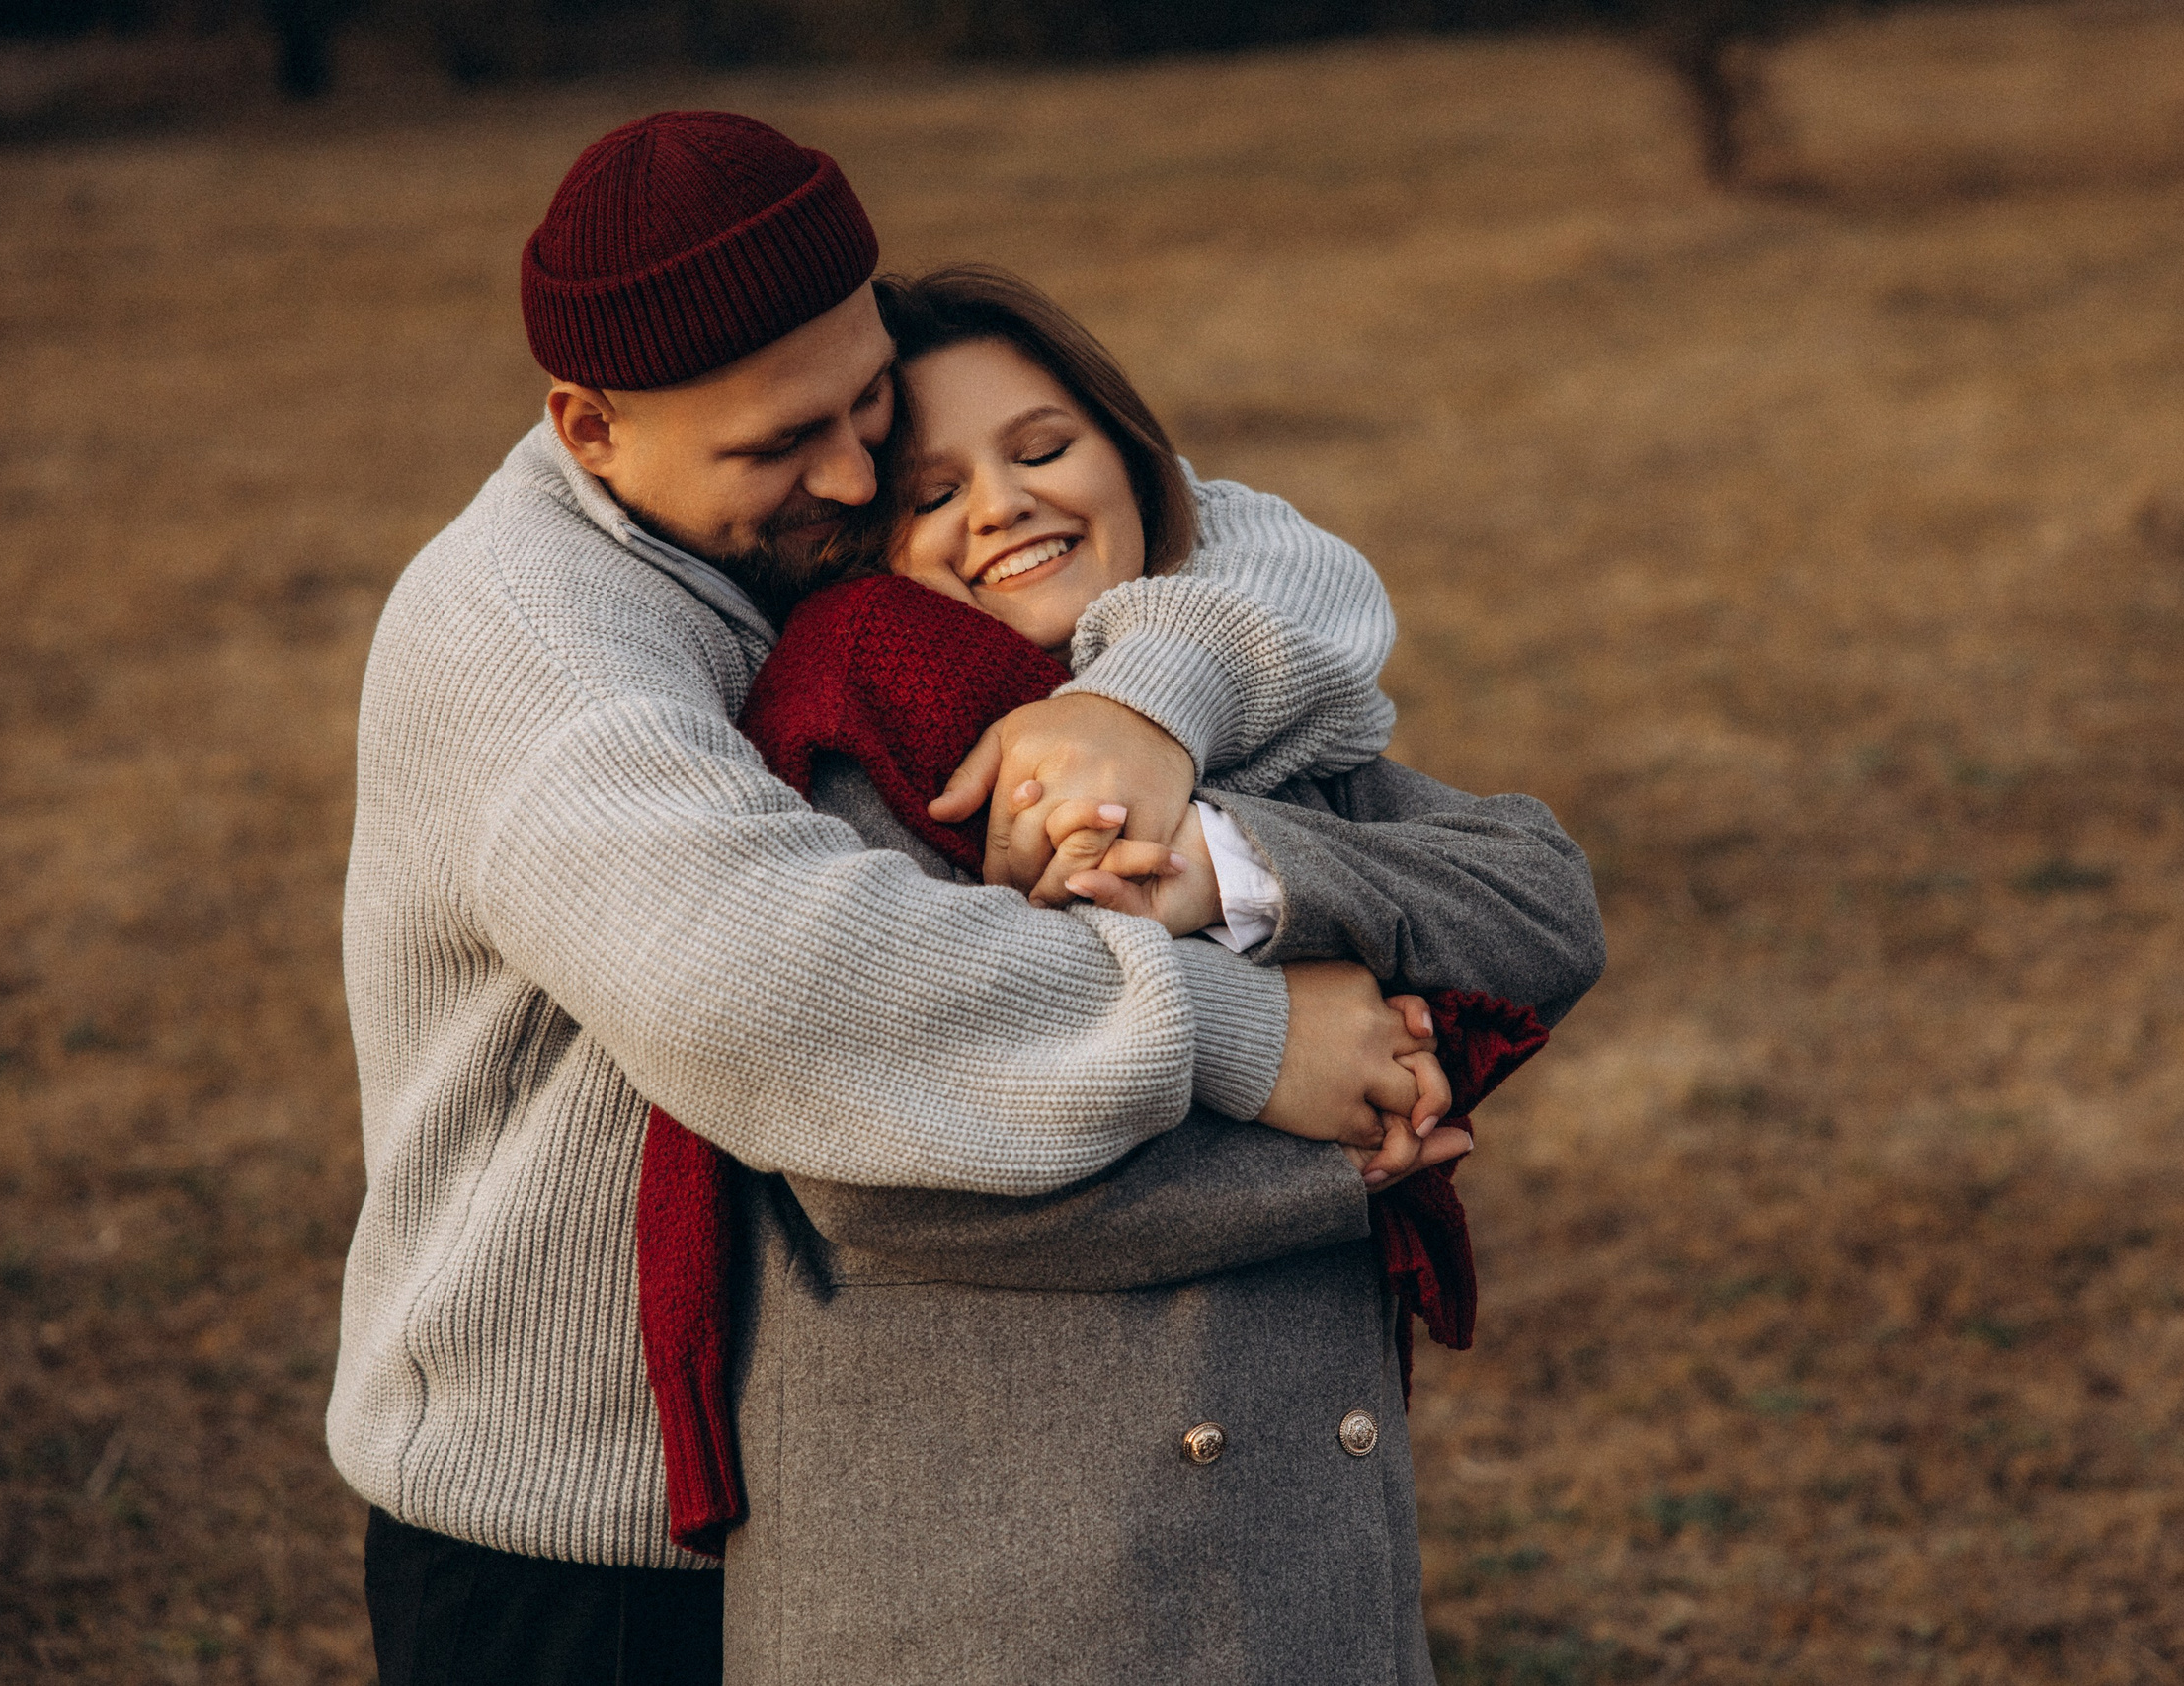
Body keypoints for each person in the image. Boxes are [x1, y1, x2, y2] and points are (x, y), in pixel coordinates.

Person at [332, 112, 1453, 1686]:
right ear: (589, 430)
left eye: (866, 402)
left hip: (830, 1495)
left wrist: (1145, 700)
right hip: (579, 1538)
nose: (854, 476)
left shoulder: (787, 508)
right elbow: (769, 980)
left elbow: (1263, 549)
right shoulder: (532, 643)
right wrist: (1238, 1032)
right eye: (781, 445)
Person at [682, 267, 1606, 1685]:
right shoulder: (861, 731)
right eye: (933, 492)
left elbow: (1542, 900)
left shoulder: (1232, 702)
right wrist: (1343, 1155)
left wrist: (1224, 864)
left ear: (1129, 456)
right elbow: (879, 1169)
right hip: (999, 1599)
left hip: (1305, 1580)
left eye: (1043, 448)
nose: (1002, 506)